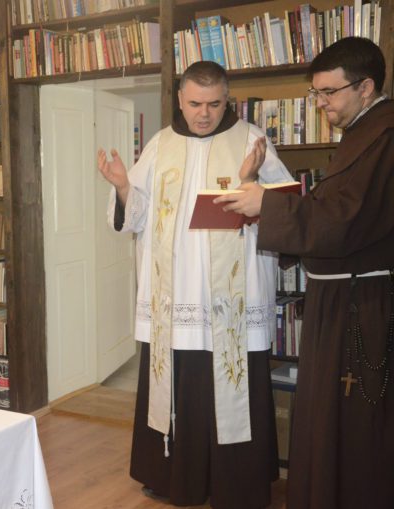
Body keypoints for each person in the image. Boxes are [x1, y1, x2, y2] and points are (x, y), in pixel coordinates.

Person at [97, 61, 293, 508]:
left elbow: (289, 212)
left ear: (227, 100)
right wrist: (124, 187)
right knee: (177, 388)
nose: (204, 114)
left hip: (232, 300)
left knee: (233, 385)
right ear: (180, 101)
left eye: (214, 104)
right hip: (176, 297)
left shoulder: (252, 140)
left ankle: (237, 486)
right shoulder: (161, 144)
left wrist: (251, 183)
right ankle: (173, 479)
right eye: (195, 104)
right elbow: (135, 217)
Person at [215, 37, 394, 509]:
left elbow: (345, 219)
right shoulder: (362, 132)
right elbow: (327, 208)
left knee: (351, 419)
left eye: (329, 92)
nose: (320, 104)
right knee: (326, 414)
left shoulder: (385, 136)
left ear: (366, 87)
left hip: (361, 304)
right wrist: (258, 194)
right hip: (338, 299)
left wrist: (267, 204)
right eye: (316, 93)